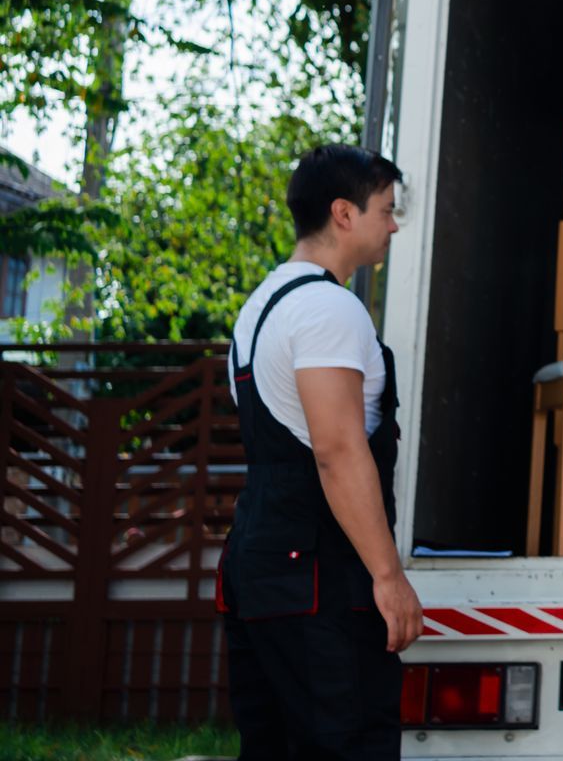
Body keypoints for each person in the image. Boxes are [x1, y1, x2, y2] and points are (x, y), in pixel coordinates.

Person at [220, 144, 421, 759]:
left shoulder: (258, 310)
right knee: (348, 741)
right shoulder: (329, 308)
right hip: (319, 576)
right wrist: (388, 578)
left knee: (274, 746)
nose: (392, 226)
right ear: (343, 213)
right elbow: (337, 451)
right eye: (386, 210)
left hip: (258, 565)